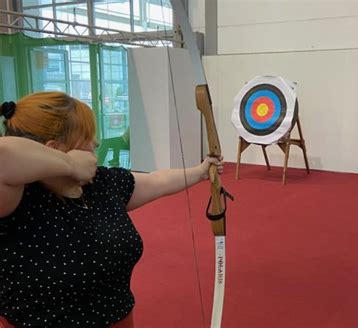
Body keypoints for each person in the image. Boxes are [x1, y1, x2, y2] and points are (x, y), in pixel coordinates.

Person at [0, 92, 223, 328]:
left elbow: (158, 181)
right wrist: (70, 165)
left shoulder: (102, 184)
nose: (96, 143)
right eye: (87, 135)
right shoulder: (15, 198)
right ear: (55, 148)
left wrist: (199, 171)